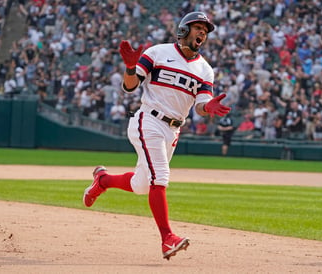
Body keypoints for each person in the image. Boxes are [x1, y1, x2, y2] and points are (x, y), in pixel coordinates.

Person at [82, 12, 230, 260]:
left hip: (173, 129)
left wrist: (208, 107)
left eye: (205, 30)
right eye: (198, 27)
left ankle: (103, 180)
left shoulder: (205, 69)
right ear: (183, 30)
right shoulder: (158, 52)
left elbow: (201, 105)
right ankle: (167, 239)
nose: (203, 32)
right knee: (160, 176)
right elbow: (130, 86)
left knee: (142, 185)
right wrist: (131, 67)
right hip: (148, 119)